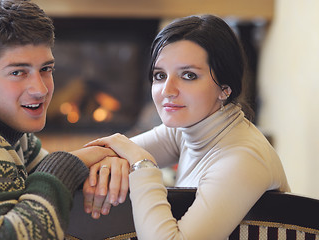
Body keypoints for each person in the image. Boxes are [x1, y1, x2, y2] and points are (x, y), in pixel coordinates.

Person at [84, 14, 290, 239]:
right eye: (160, 75)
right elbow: (107, 155)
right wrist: (106, 165)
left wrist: (142, 165)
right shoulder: (186, 129)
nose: (168, 90)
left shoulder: (243, 157)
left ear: (225, 88)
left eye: (189, 75)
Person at [0, 0, 128, 239]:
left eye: (46, 69)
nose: (40, 89)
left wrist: (108, 161)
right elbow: (54, 174)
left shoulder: (11, 132)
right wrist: (66, 163)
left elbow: (44, 182)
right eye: (18, 72)